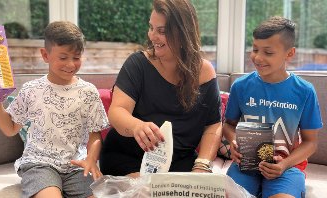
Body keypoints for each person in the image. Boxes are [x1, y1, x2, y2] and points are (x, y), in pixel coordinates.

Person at [0, 21, 109, 198]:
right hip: (39, 164)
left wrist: (91, 159)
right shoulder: (31, 90)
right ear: (45, 54)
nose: (71, 64)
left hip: (76, 166)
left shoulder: (88, 92)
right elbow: (10, 128)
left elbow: (95, 134)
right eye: (63, 58)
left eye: (77, 57)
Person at [99, 0, 222, 178]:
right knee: (147, 192)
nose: (152, 36)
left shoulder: (205, 72)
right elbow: (117, 111)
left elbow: (213, 124)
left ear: (184, 33)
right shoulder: (137, 64)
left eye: (162, 31)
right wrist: (136, 126)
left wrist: (202, 166)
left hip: (180, 161)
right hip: (128, 158)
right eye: (151, 28)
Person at [222, 16, 323, 198]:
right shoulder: (240, 86)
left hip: (286, 168)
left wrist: (283, 165)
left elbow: (311, 142)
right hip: (246, 166)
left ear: (289, 53)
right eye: (254, 50)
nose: (258, 57)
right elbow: (228, 125)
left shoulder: (305, 91)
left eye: (268, 52)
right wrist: (233, 140)